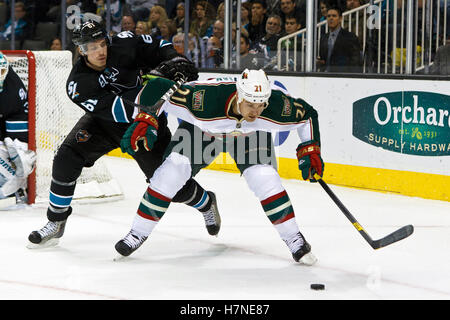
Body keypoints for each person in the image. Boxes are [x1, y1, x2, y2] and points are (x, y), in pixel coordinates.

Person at [27, 20, 221, 246]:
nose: (99, 51)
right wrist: (153, 97)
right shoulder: (78, 84)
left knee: (169, 184)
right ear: (81, 50)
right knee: (66, 157)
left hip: (147, 124)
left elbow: (159, 46)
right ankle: (56, 221)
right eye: (91, 47)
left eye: (101, 44)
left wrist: (175, 60)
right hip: (105, 123)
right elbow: (119, 110)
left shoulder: (125, 43)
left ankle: (206, 202)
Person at [116, 68, 323, 266]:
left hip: (250, 135)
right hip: (202, 129)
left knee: (265, 178)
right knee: (171, 173)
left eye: (261, 105)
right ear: (240, 96)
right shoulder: (203, 100)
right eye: (251, 104)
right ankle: (138, 232)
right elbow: (157, 87)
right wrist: (145, 118)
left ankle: (294, 238)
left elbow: (308, 115)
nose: (256, 110)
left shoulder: (276, 106)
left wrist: (311, 149)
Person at [0, 51, 36, 203]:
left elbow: (17, 136)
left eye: (1, 71)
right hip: (6, 125)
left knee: (18, 155)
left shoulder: (11, 92)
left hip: (11, 131)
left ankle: (15, 188)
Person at [317, 6, 362, 73]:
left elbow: (355, 62)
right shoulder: (323, 38)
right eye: (328, 16)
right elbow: (323, 59)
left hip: (342, 76)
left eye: (334, 16)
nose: (331, 18)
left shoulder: (350, 37)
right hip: (325, 77)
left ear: (340, 18)